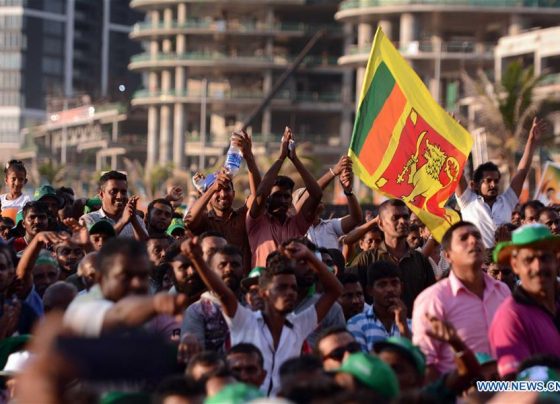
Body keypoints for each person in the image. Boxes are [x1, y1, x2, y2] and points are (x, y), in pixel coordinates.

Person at [181, 237, 342, 395]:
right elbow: (224, 294)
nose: (290, 293)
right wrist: (196, 259)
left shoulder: (299, 325)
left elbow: (335, 290)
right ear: (264, 293)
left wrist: (308, 255)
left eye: (293, 288)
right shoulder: (244, 320)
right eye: (282, 287)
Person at [412, 221, 510, 380]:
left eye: (477, 236)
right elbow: (426, 365)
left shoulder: (502, 290)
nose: (473, 241)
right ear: (448, 255)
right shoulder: (433, 299)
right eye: (463, 238)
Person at [63, 238, 183, 340]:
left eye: (143, 275)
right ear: (101, 278)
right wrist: (156, 305)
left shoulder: (155, 309)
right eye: (125, 276)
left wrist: (185, 341)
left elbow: (174, 339)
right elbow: (117, 315)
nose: (137, 283)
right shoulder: (82, 305)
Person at [455, 117, 545, 248]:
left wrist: (532, 141)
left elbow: (522, 171)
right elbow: (456, 171)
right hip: (477, 259)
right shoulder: (467, 201)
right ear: (475, 184)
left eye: (496, 181)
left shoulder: (507, 201)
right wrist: (453, 137)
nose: (493, 185)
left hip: (504, 257)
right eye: (488, 181)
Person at [489, 224, 560, 378]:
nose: (538, 267)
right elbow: (518, 385)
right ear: (515, 265)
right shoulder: (510, 317)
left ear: (556, 260)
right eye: (529, 260)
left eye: (545, 258)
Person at [246, 127, 322, 268]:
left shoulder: (296, 223)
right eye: (276, 196)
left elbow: (317, 194)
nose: (282, 200)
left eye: (286, 196)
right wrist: (281, 157)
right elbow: (260, 193)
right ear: (268, 198)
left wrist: (294, 159)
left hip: (291, 280)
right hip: (263, 279)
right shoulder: (257, 221)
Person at [186, 130, 260, 273]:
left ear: (234, 193)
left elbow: (258, 197)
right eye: (217, 190)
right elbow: (189, 221)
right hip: (211, 282)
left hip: (240, 283)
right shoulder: (205, 220)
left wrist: (249, 157)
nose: (223, 194)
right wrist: (212, 188)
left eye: (227, 189)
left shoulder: (243, 217)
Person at [348, 199, 435, 310]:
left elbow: (431, 297)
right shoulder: (366, 259)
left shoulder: (420, 260)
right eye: (395, 218)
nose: (402, 221)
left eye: (406, 217)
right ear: (381, 224)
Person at [180, 245, 244, 353]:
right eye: (222, 265)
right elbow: (196, 357)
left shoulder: (251, 305)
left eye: (235, 265)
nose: (229, 269)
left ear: (244, 270)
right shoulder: (196, 311)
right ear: (211, 272)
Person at [296, 156, 362, 250]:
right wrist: (333, 172)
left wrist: (348, 191)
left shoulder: (331, 226)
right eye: (309, 199)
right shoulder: (294, 228)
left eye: (317, 197)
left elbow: (356, 219)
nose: (316, 198)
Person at [347, 261, 411, 352]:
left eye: (394, 283)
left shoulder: (412, 325)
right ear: (370, 290)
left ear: (402, 288)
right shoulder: (356, 324)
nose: (390, 289)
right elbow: (361, 359)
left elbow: (417, 358)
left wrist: (402, 325)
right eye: (382, 285)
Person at [79, 171, 148, 241]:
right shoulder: (88, 219)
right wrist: (122, 221)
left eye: (123, 192)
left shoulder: (136, 220)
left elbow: (146, 245)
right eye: (113, 192)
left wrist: (134, 220)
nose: (120, 196)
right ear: (101, 195)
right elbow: (98, 244)